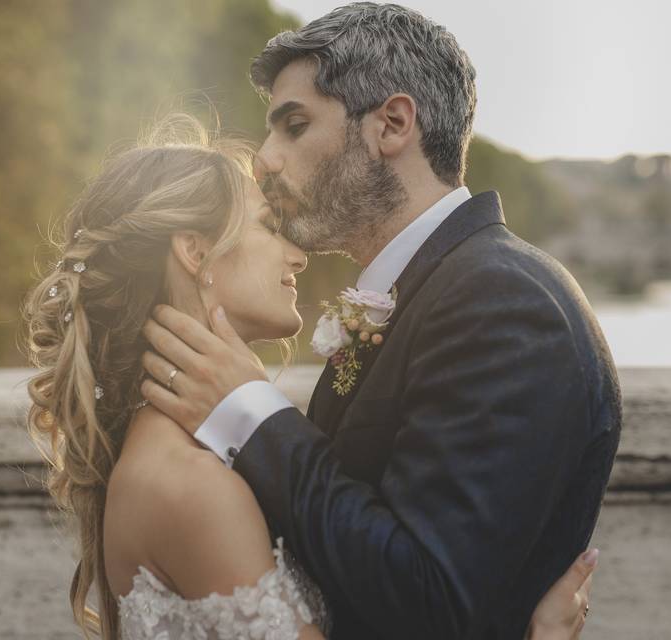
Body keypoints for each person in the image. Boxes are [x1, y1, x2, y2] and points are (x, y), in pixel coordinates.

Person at [138, 4, 622, 640]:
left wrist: (250, 410)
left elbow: (427, 596)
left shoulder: (503, 302)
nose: (265, 159)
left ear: (391, 124)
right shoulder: (433, 291)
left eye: (294, 124)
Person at [23, 116, 598, 639]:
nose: (296, 255)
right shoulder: (191, 484)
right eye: (269, 227)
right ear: (196, 252)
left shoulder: (193, 449)